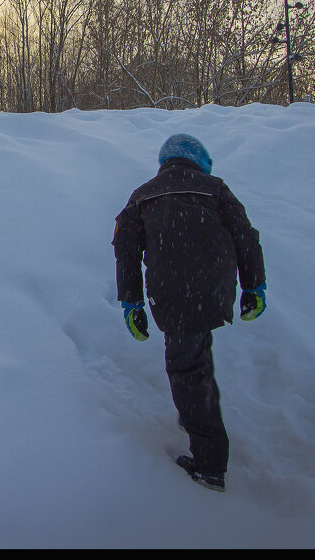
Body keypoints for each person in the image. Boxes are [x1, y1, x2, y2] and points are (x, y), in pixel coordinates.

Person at [111, 134, 267, 493]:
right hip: (213, 291)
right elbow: (246, 236)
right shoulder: (215, 188)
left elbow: (126, 250)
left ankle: (210, 465)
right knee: (195, 354)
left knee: (187, 368)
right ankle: (194, 415)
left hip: (171, 295)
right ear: (198, 160)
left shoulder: (143, 194)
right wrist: (253, 287)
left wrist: (132, 302)